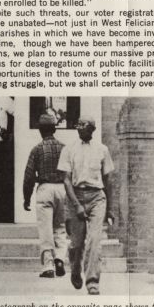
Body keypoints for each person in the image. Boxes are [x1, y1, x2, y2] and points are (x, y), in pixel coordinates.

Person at [57, 115, 114, 295]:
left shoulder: (102, 150)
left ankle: (92, 281)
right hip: (75, 195)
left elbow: (107, 180)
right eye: (78, 124)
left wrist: (110, 208)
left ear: (92, 129)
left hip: (97, 197)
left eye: (83, 125)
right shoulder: (69, 149)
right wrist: (77, 205)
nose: (79, 127)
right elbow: (66, 181)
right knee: (76, 244)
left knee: (94, 241)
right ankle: (75, 270)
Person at [23, 113, 67, 278]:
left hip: (45, 189)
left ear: (40, 130)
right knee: (61, 227)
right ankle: (61, 258)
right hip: (63, 189)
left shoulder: (37, 149)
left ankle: (48, 266)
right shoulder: (64, 148)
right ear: (54, 129)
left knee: (45, 229)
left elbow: (28, 176)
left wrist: (26, 198)